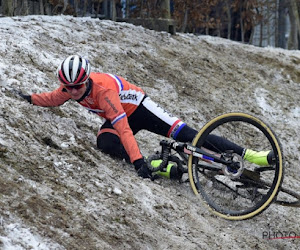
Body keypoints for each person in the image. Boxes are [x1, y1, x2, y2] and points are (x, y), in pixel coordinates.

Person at [18, 55, 272, 179]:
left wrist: (136, 160)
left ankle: (253, 155)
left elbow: (124, 128)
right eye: (68, 87)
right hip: (120, 117)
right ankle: (162, 167)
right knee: (105, 142)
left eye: (78, 87)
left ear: (86, 80)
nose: (73, 92)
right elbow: (53, 97)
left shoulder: (103, 91)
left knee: (191, 136)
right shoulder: (69, 89)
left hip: (140, 109)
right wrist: (29, 98)